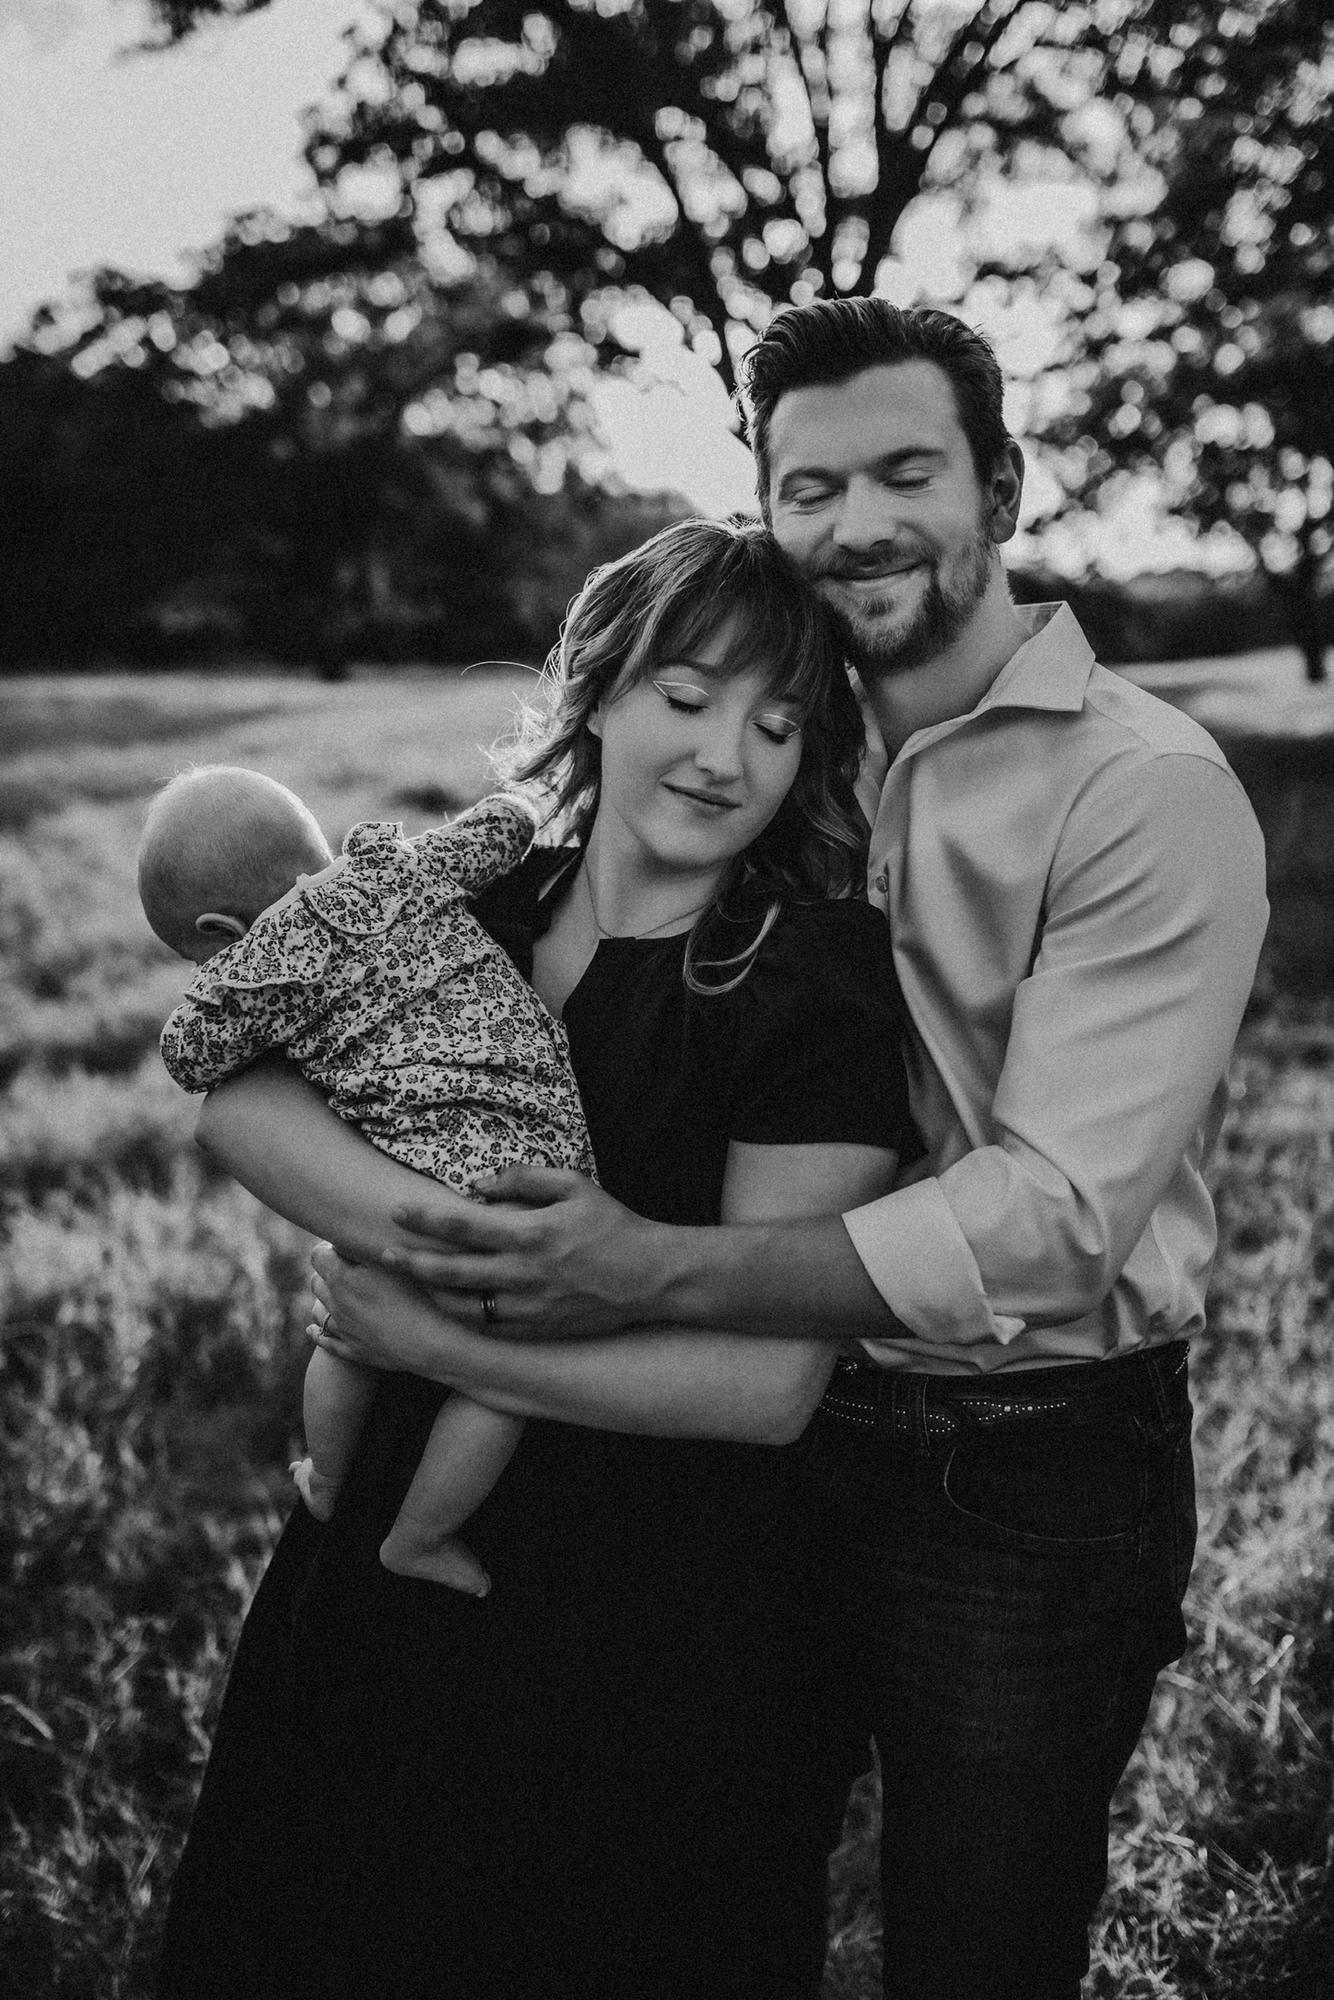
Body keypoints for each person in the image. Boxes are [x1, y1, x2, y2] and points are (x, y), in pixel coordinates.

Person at [359, 302, 1271, 2000]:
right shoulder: (774, 734)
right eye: (809, 486)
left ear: (1000, 489)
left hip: (1010, 1461)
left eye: (906, 472)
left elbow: (1052, 1219)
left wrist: (642, 1265)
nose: (856, 523)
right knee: (706, 1889)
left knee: (972, 1943)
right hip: (739, 1438)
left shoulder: (1143, 788)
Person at [155, 516, 917, 2000]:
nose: (723, 756)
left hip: (645, 1612)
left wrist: (441, 1334)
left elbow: (764, 1391)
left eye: (776, 726)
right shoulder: (471, 901)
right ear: (600, 690)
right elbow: (237, 1104)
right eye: (684, 697)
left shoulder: (806, 976)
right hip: (389, 1549)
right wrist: (432, 1238)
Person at [139, 767, 596, 1595]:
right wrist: (517, 803)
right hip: (543, 1158)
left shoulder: (257, 969)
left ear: (217, 929)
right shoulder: (398, 868)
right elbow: (503, 830)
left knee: (349, 1328)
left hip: (417, 1171)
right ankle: (419, 1532)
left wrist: (228, 980)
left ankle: (349, 1492)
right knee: (506, 1381)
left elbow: (188, 1056)